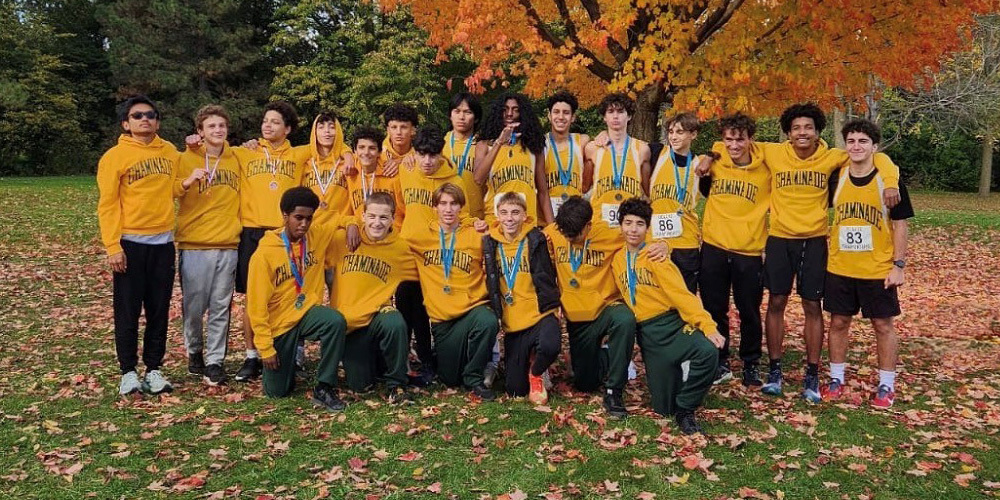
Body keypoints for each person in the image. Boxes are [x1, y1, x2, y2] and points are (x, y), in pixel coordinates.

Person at [98, 95, 193, 396]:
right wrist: (113, 245)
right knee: (128, 310)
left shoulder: (169, 152)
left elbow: (173, 188)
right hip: (131, 242)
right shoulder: (115, 156)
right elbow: (108, 204)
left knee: (159, 309)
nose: (145, 119)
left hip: (163, 242)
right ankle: (127, 371)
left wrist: (187, 183)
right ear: (126, 123)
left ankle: (154, 368)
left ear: (157, 121)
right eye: (137, 116)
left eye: (150, 115)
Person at [545, 196, 670, 418]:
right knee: (585, 383)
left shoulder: (609, 235)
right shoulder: (556, 231)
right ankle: (612, 358)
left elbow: (638, 235)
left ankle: (614, 390)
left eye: (576, 235)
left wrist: (663, 244)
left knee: (625, 319)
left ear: (588, 226)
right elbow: (521, 234)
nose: (570, 238)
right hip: (577, 320)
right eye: (566, 235)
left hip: (606, 309)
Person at [610, 198, 725, 434]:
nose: (633, 229)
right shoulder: (617, 260)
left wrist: (707, 325)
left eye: (640, 224)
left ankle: (687, 410)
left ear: (647, 227)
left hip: (670, 324)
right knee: (663, 408)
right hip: (648, 336)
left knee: (708, 353)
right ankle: (678, 387)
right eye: (628, 223)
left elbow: (681, 294)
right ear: (620, 225)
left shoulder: (656, 256)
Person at [822, 119, 913, 408]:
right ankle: (836, 378)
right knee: (838, 322)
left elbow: (900, 225)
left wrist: (898, 265)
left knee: (883, 325)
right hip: (840, 266)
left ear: (874, 147)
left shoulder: (890, 182)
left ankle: (886, 384)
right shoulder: (837, 177)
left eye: (863, 141)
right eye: (851, 141)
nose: (856, 146)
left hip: (876, 268)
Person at [246, 187, 355, 411]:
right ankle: (287, 365)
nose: (304, 224)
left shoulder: (317, 233)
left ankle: (324, 386)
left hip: (306, 313)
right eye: (298, 218)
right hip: (280, 324)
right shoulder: (264, 254)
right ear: (285, 216)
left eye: (308, 218)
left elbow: (341, 217)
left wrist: (352, 223)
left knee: (335, 321)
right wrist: (265, 348)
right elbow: (255, 307)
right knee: (277, 392)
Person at [696, 113, 770, 386]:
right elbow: (712, 151)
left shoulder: (766, 167)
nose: (734, 145)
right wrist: (710, 153)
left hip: (748, 250)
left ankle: (751, 362)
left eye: (740, 139)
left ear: (750, 139)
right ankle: (720, 359)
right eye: (729, 139)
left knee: (748, 309)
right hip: (714, 246)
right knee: (714, 307)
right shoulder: (715, 160)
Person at [407, 183, 500, 400]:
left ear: (461, 207)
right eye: (443, 204)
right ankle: (457, 360)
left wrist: (481, 225)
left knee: (487, 321)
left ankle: (474, 377)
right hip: (442, 321)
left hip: (471, 310)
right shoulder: (420, 237)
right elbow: (390, 242)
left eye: (454, 204)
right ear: (435, 207)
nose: (448, 209)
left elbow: (503, 235)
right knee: (449, 379)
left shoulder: (476, 236)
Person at [175, 104, 242, 386]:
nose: (217, 130)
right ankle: (194, 351)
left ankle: (215, 361)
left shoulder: (237, 157)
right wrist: (187, 182)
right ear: (199, 132)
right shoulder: (184, 158)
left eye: (222, 126)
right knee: (193, 306)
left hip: (228, 243)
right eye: (211, 126)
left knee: (220, 305)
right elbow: (169, 191)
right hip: (194, 243)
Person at [398, 126, 470, 385]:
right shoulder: (405, 171)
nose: (427, 161)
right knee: (408, 305)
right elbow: (398, 210)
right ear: (414, 153)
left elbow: (465, 217)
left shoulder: (455, 180)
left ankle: (436, 357)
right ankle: (406, 360)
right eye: (421, 154)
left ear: (442, 154)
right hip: (408, 251)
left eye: (433, 155)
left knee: (435, 307)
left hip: (440, 255)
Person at [329, 191, 416, 403]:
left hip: (378, 318)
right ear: (363, 216)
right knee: (361, 386)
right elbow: (319, 219)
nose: (377, 223)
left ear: (392, 220)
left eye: (384, 217)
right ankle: (375, 362)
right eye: (372, 216)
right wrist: (349, 221)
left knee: (394, 320)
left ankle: (397, 384)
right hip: (349, 326)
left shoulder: (400, 249)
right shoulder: (342, 240)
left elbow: (426, 274)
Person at [483, 192, 561, 404]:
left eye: (515, 212)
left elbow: (548, 273)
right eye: (505, 212)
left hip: (539, 312)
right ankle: (527, 360)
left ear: (525, 215)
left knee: (550, 346)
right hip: (512, 321)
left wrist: (553, 308)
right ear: (496, 214)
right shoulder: (490, 243)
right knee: (515, 391)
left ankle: (536, 372)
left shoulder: (536, 239)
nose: (510, 218)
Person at [474, 92, 553, 224]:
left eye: (515, 110)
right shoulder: (485, 145)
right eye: (505, 110)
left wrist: (553, 229)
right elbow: (478, 179)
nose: (509, 114)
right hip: (496, 222)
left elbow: (543, 193)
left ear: (523, 114)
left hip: (527, 221)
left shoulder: (533, 147)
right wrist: (499, 142)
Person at [649, 112, 703, 292]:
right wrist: (604, 136)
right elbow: (625, 144)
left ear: (693, 134)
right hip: (656, 241)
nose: (673, 136)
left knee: (685, 298)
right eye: (671, 131)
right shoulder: (657, 153)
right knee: (657, 298)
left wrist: (712, 155)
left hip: (685, 243)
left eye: (680, 132)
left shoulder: (700, 164)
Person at [585, 93, 651, 228]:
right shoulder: (592, 148)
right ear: (604, 117)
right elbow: (584, 187)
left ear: (629, 116)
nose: (615, 116)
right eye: (610, 111)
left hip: (631, 229)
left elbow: (649, 193)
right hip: (599, 226)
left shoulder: (643, 149)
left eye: (621, 111)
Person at [345, 126, 404, 229]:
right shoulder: (349, 173)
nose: (366, 152)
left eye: (372, 148)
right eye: (361, 147)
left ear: (379, 152)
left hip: (391, 236)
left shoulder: (392, 174)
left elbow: (403, 211)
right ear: (355, 150)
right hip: (361, 236)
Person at [543, 91, 590, 218]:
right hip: (547, 219)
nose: (561, 117)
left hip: (575, 218)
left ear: (573, 117)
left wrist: (605, 134)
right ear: (549, 115)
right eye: (556, 112)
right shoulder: (541, 144)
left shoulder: (582, 142)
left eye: (566, 112)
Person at [301, 111, 352, 225]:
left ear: (338, 132)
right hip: (311, 228)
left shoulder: (348, 163)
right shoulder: (305, 164)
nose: (327, 131)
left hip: (340, 228)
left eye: (332, 127)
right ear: (314, 132)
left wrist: (348, 154)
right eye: (321, 127)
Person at [443, 92, 486, 219]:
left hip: (476, 218)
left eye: (467, 112)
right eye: (457, 111)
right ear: (450, 115)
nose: (461, 117)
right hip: (446, 217)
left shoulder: (483, 146)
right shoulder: (440, 144)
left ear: (476, 117)